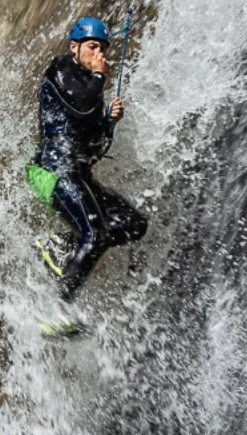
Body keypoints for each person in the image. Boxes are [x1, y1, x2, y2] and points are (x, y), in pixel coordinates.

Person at [28, 17, 148, 302]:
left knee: (133, 224)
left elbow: (96, 146)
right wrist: (99, 76)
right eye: (93, 47)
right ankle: (58, 307)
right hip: (52, 171)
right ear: (74, 47)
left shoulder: (90, 91)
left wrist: (109, 123)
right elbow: (80, 106)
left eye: (103, 50)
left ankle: (60, 244)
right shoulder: (61, 70)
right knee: (95, 234)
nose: (100, 55)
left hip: (77, 173)